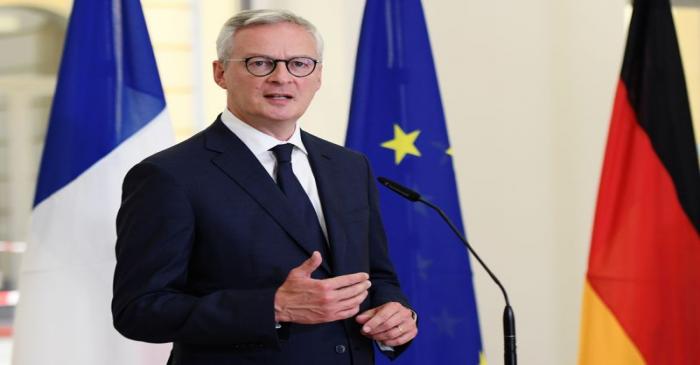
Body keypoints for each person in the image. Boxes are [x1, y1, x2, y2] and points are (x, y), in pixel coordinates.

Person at [111, 8, 417, 365]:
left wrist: (397, 314)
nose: (282, 78)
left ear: (317, 75)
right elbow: (140, 310)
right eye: (260, 63)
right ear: (221, 72)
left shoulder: (349, 166)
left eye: (299, 64)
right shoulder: (168, 175)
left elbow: (377, 275)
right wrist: (274, 307)